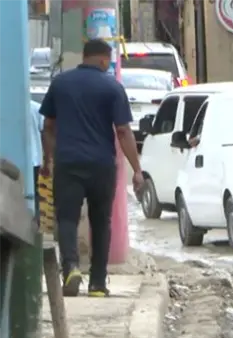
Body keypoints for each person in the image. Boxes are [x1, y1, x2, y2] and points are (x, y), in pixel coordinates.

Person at [40, 38, 144, 298]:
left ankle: (71, 268)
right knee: (101, 221)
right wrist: (137, 169)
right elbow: (122, 131)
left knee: (66, 219)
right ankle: (97, 283)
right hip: (101, 165)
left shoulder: (60, 84)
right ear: (102, 59)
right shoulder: (112, 87)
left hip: (68, 163)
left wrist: (47, 159)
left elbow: (49, 127)